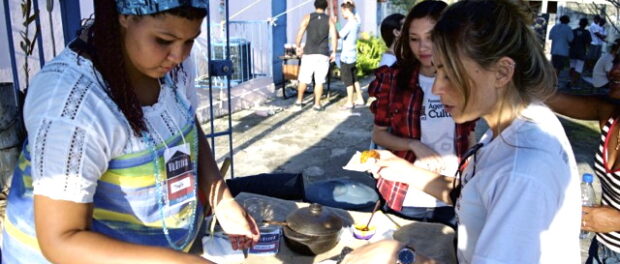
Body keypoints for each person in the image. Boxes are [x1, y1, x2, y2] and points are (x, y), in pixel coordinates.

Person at [1, 0, 260, 263]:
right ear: (123, 16)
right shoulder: (71, 105)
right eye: (163, 40)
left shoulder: (170, 66)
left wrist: (222, 200)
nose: (179, 55)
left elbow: (186, 123)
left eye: (190, 41)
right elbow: (62, 240)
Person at [343, 0, 581, 263]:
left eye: (449, 73)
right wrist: (404, 170)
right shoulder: (511, 127)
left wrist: (401, 256)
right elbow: (472, 197)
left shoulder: (522, 170)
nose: (436, 88)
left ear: (502, 72)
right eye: (438, 71)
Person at [367, 0, 475, 228]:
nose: (423, 47)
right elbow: (378, 135)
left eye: (431, 37)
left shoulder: (467, 80)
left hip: (452, 193)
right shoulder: (393, 78)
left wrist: (473, 173)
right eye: (415, 39)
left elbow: (468, 136)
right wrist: (414, 145)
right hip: (405, 193)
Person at [547, 55, 620, 264]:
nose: (613, 70)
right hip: (602, 251)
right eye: (616, 60)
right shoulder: (611, 114)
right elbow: (548, 98)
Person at [294, 0, 338, 111]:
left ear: (315, 5)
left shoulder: (307, 17)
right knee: (319, 80)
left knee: (303, 78)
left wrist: (298, 46)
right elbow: (334, 36)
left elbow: (300, 32)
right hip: (323, 54)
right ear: (326, 7)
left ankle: (299, 101)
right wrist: (333, 52)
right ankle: (317, 104)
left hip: (309, 53)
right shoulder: (329, 19)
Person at [338, 2, 364, 109]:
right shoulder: (357, 21)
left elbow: (340, 34)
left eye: (342, 12)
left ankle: (349, 102)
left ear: (347, 10)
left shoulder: (350, 24)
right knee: (354, 78)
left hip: (346, 56)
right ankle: (360, 99)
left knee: (348, 80)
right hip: (353, 55)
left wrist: (336, 24)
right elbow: (355, 11)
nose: (342, 14)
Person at [569, 18, 592, 87]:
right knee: (578, 69)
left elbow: (570, 41)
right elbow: (589, 43)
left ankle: (571, 80)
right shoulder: (587, 32)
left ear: (579, 23)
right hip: (581, 53)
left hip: (572, 52)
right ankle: (574, 82)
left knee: (572, 67)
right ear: (586, 25)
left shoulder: (573, 31)